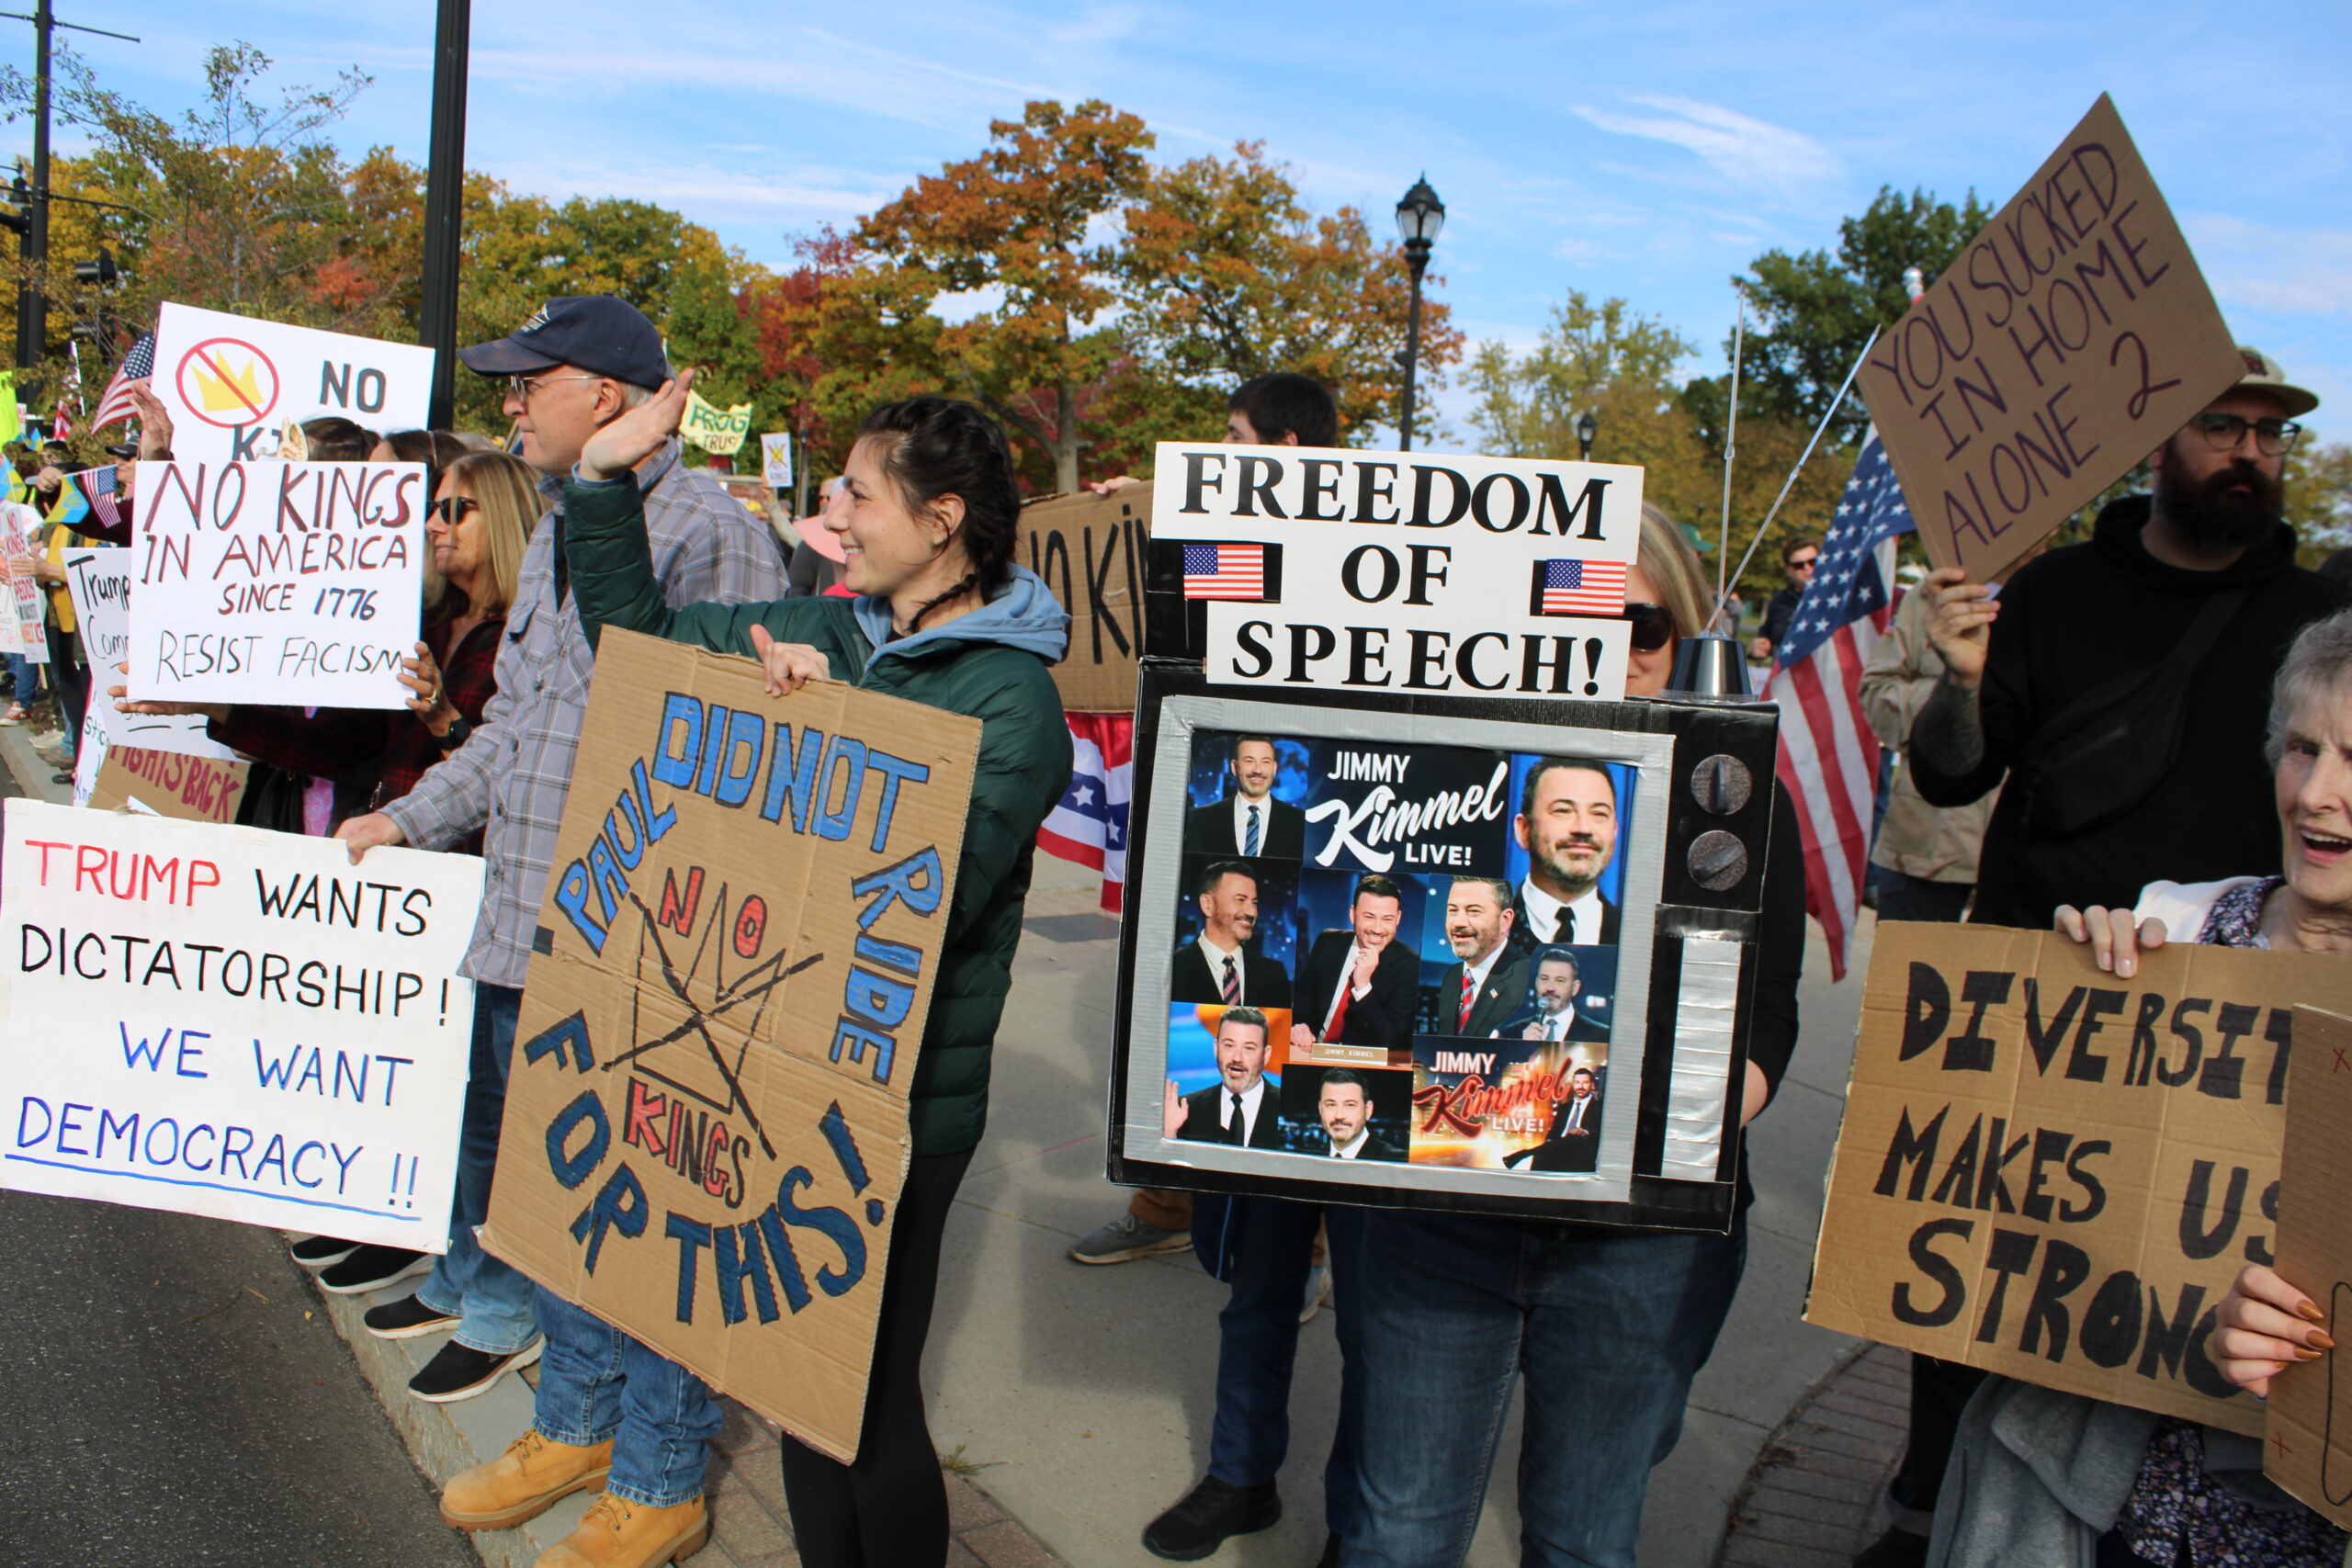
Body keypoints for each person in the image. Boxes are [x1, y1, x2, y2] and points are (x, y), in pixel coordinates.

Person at [444, 378, 1067, 1568]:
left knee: (866, 1406)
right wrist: (607, 479)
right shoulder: (833, 628)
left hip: (894, 1109)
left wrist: (831, 731)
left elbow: (921, 901)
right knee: (790, 1386)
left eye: (859, 492)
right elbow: (636, 640)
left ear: (941, 522)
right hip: (770, 1064)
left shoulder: (1012, 697)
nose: (833, 511)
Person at [1868, 348, 2345, 1568]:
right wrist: (1966, 679)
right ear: (2156, 447)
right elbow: (1952, 770)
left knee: (2232, 1298)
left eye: (2268, 435)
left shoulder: (2313, 619)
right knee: (1984, 1280)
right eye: (2222, 428)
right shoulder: (2061, 593)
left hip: (2246, 1010)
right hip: (2059, 998)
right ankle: (1943, 1499)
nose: (2250, 453)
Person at [335, 297, 786, 1433]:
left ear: (609, 396)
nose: (511, 402)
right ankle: (498, 1311)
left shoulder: (709, 529)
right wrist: (409, 821)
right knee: (503, 1125)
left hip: (621, 932)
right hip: (517, 900)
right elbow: (519, 726)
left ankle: (573, 1392)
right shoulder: (547, 531)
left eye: (533, 380)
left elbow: (730, 757)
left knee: (586, 1174)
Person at [1342, 503, 1804, 1568]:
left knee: (1585, 1541)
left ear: (1681, 634)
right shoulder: (1448, 790)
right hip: (1444, 1215)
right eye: (1566, 618)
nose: (1606, 653)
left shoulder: (1732, 801)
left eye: (1636, 627)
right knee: (1396, 1532)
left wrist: (1693, 1108)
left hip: (1637, 1240)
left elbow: (1766, 1007)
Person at [1925, 606, 2352, 1568]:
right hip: (2111, 1510)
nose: (2318, 793)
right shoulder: (2174, 932)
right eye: (2300, 749)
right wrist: (2075, 1015)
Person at [1070, 372, 1343, 1269]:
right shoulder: (1232, 542)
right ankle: (1173, 1197)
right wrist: (1138, 524)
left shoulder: (1348, 550)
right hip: (1212, 816)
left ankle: (1297, 1239)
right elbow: (1179, 613)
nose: (1221, 454)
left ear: (1287, 450)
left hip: (1315, 837)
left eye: (1233, 438)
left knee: (1292, 1023)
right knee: (1199, 1005)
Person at [1291, 874, 1418, 1054]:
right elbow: (1303, 998)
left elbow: (1393, 1040)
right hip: (1309, 1052)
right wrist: (1298, 1025)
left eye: (1387, 919)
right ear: (1353, 914)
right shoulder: (1327, 942)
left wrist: (1363, 987)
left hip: (1363, 1066)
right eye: (1369, 917)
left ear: (1398, 919)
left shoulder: (1410, 965)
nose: (1377, 929)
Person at [1507, 759, 1623, 950]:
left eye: (1599, 813)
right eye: (1563, 811)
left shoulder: (1633, 938)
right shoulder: (1486, 928)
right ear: (1524, 830)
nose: (1584, 828)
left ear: (1615, 832)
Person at [1170, 860, 1292, 1007]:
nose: (1252, 912)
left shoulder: (1274, 974)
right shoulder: (1175, 968)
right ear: (1207, 905)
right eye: (1240, 900)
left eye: (1254, 903)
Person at [1165, 1006, 1285, 1149]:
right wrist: (1168, 1136)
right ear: (1216, 1049)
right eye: (1229, 1046)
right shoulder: (1183, 1111)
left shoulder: (1291, 1111)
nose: (1237, 1058)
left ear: (1266, 1055)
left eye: (1249, 1048)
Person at [1433, 874, 1525, 1038]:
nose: (1458, 922)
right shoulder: (1453, 976)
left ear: (1505, 920)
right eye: (1453, 910)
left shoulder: (1528, 978)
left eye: (1473, 911)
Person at [1185, 734, 1306, 857]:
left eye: (1265, 762)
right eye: (1249, 761)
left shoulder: (1301, 823)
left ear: (1274, 769)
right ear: (1234, 767)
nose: (1258, 770)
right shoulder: (1199, 819)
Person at [1502, 1066, 1604, 1175]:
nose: (1581, 1086)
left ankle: (1524, 1154)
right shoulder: (1564, 1108)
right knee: (1542, 1154)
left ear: (1592, 1085)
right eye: (1577, 1082)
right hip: (1559, 1150)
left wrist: (1585, 1131)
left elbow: (1597, 1131)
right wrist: (1549, 1142)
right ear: (1573, 1085)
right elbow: (1553, 1132)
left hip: (1581, 1151)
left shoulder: (1599, 1107)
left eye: (1585, 1083)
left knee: (1575, 1137)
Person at [1498, 946, 1608, 1043]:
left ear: (1575, 988)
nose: (1550, 988)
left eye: (1560, 980)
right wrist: (1523, 1045)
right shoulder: (1512, 1033)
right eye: (1544, 979)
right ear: (1536, 983)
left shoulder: (1601, 1035)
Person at [1749, 535, 1818, 662]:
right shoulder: (1779, 600)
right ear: (1789, 570)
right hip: (1788, 675)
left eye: (1813, 562)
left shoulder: (1836, 598)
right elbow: (1767, 636)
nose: (1807, 568)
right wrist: (1761, 648)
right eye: (1799, 565)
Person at [1314, 1069, 1401, 1161]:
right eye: (1331, 1105)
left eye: (1350, 1105)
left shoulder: (1396, 1161)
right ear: (1320, 1109)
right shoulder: (1310, 1161)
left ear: (1368, 1110)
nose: (1339, 1115)